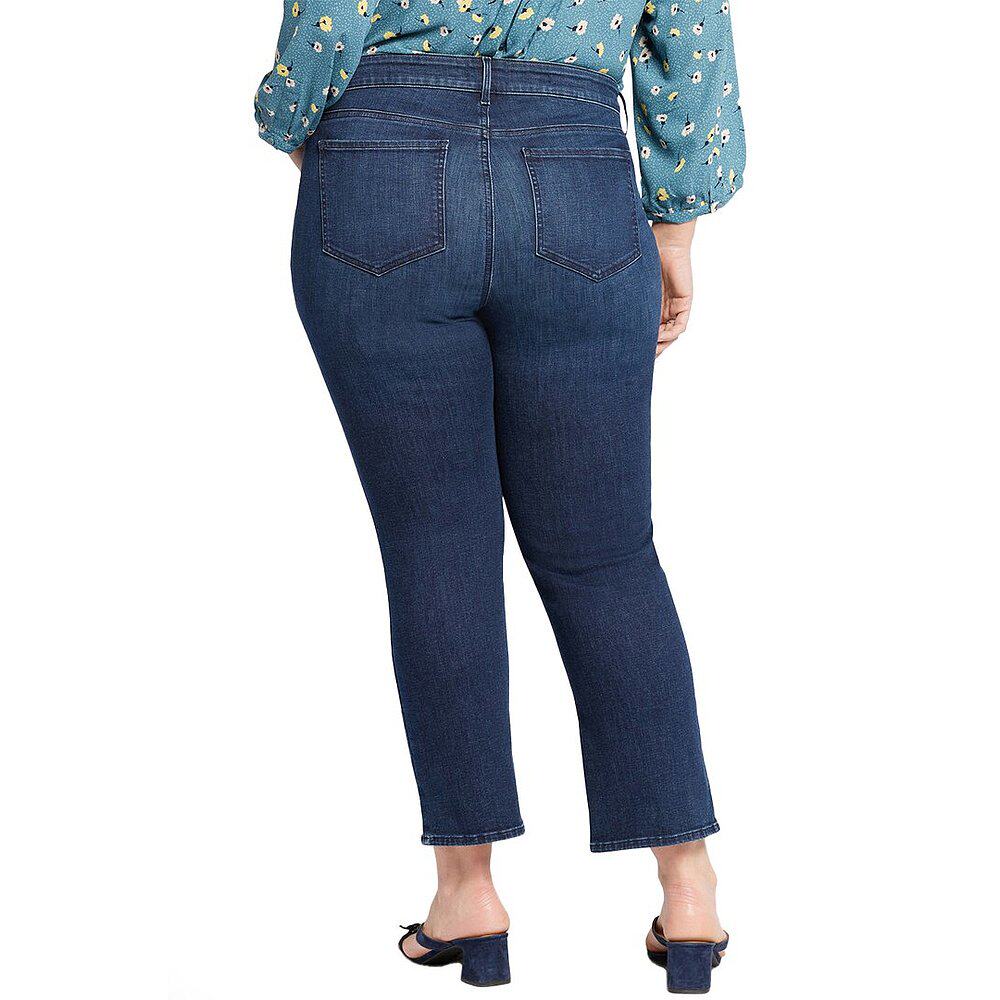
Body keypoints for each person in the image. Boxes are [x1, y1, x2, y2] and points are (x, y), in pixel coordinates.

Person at [254, 1, 745, 991]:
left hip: (379, 159)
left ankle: (467, 892)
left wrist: (303, 126)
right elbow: (689, 29)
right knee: (605, 556)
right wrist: (677, 225)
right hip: (577, 169)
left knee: (436, 545)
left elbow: (328, 20)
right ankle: (688, 889)